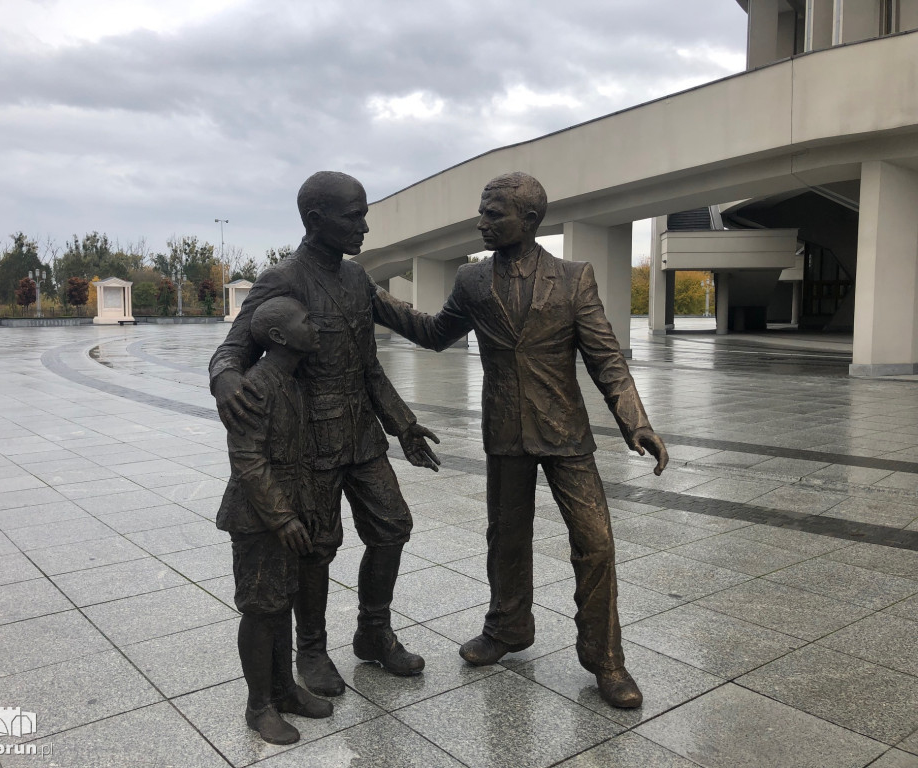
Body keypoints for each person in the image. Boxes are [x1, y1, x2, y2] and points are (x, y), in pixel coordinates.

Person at [372, 172, 669, 708]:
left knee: (596, 544)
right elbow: (435, 333)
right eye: (482, 212)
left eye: (493, 214)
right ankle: (508, 628)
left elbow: (605, 356)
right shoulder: (472, 281)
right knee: (506, 539)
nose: (481, 223)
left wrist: (636, 420)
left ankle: (605, 659)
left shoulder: (574, 278)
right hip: (505, 431)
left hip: (566, 433)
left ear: (529, 220)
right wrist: (373, 297)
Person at [210, 171, 441, 697]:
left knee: (393, 527)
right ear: (316, 220)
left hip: (362, 435)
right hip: (309, 440)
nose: (364, 226)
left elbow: (371, 366)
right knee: (316, 548)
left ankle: (373, 632)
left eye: (364, 214)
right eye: (354, 216)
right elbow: (233, 349)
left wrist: (403, 425)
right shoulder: (283, 279)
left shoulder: (357, 278)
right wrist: (224, 381)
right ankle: (311, 650)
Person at [216, 296, 333, 745]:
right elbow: (248, 461)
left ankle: (284, 690)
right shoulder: (256, 386)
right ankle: (258, 705)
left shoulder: (292, 382)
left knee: (281, 601)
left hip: (285, 510)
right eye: (307, 321)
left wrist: (304, 510)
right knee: (260, 609)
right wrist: (283, 519)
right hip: (256, 517)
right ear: (280, 336)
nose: (315, 326)